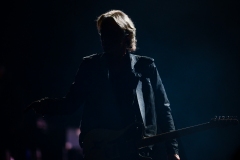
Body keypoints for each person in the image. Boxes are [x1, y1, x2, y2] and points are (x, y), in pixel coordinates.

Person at [25, 10, 180, 160]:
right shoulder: (90, 65)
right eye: (103, 34)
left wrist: (172, 151)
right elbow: (71, 104)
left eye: (111, 34)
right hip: (102, 149)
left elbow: (163, 109)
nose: (105, 40)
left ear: (126, 36)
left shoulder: (145, 67)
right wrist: (45, 105)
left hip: (138, 150)